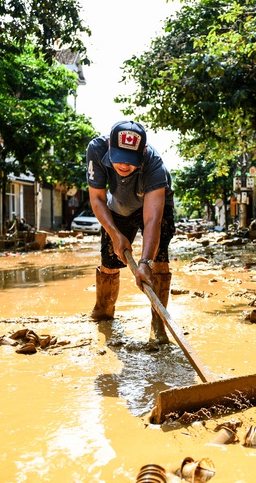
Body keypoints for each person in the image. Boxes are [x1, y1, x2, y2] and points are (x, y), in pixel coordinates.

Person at [86, 120, 175, 344]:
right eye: (119, 157)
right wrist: (115, 234)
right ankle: (104, 313)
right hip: (118, 206)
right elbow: (97, 199)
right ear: (108, 146)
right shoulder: (96, 150)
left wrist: (145, 262)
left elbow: (152, 219)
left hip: (153, 205)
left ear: (143, 152)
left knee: (159, 261)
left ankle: (158, 323)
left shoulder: (154, 165)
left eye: (131, 159)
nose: (124, 165)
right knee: (109, 260)